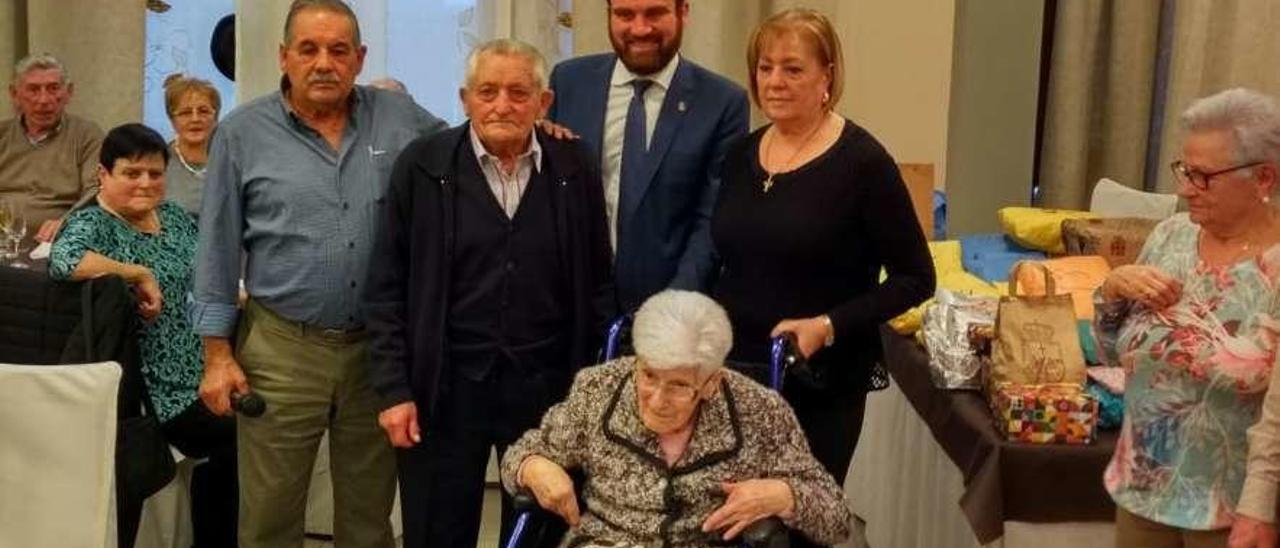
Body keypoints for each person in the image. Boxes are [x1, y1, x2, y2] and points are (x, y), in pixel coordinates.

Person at [191, 1, 447, 546]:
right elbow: (215, 247)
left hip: (377, 355)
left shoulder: (400, 117)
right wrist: (216, 355)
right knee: (268, 520)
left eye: (337, 50)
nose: (323, 63)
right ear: (284, 57)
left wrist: (536, 125)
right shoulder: (241, 134)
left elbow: (469, 152)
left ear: (359, 58)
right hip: (281, 349)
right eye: (308, 49)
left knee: (369, 520)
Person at [364, 38, 614, 548]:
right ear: (465, 98)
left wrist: (595, 391)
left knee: (539, 529)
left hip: (546, 389)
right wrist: (394, 391)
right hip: (444, 389)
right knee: (437, 527)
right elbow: (386, 286)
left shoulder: (574, 165)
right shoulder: (423, 165)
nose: (502, 105)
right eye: (488, 91)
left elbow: (598, 284)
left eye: (519, 93)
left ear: (543, 103)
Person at [710, 11, 934, 547]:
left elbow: (914, 278)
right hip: (735, 375)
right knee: (730, 525)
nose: (774, 83)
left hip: (822, 381)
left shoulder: (863, 163)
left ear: (826, 76)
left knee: (797, 528)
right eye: (765, 68)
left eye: (792, 69)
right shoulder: (741, 154)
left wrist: (827, 325)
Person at [502, 289, 852, 548]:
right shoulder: (599, 388)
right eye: (648, 375)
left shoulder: (759, 412)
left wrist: (785, 494)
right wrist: (532, 466)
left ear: (712, 382)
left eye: (679, 385)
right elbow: (522, 452)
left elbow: (837, 519)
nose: (657, 399)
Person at [1090, 88, 1280, 548]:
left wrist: (1260, 508)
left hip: (1231, 512)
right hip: (1142, 491)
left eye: (1203, 176)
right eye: (1183, 170)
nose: (1184, 188)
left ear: (1264, 178)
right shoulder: (1171, 236)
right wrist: (1112, 293)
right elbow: (1116, 354)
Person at [49, 123, 237, 548]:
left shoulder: (171, 216)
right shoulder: (94, 223)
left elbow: (205, 269)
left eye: (155, 173)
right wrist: (137, 271)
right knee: (240, 440)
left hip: (206, 367)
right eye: (132, 173)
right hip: (158, 391)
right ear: (104, 174)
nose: (146, 183)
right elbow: (64, 259)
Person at [546, 0, 748, 310]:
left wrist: (672, 306)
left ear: (683, 12)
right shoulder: (569, 81)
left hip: (669, 313)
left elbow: (711, 221)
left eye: (655, 13)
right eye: (625, 14)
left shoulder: (723, 103)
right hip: (571, 311)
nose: (639, 29)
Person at [0, 53, 103, 245]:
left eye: (53, 88)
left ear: (68, 92)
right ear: (15, 94)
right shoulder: (2, 134)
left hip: (60, 240)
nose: (44, 100)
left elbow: (96, 189)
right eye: (33, 89)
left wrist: (67, 221)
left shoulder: (86, 134)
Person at [161, 74, 220, 218]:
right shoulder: (159, 162)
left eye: (204, 111)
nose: (195, 119)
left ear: (216, 116)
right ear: (172, 119)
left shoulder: (233, 160)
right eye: (185, 113)